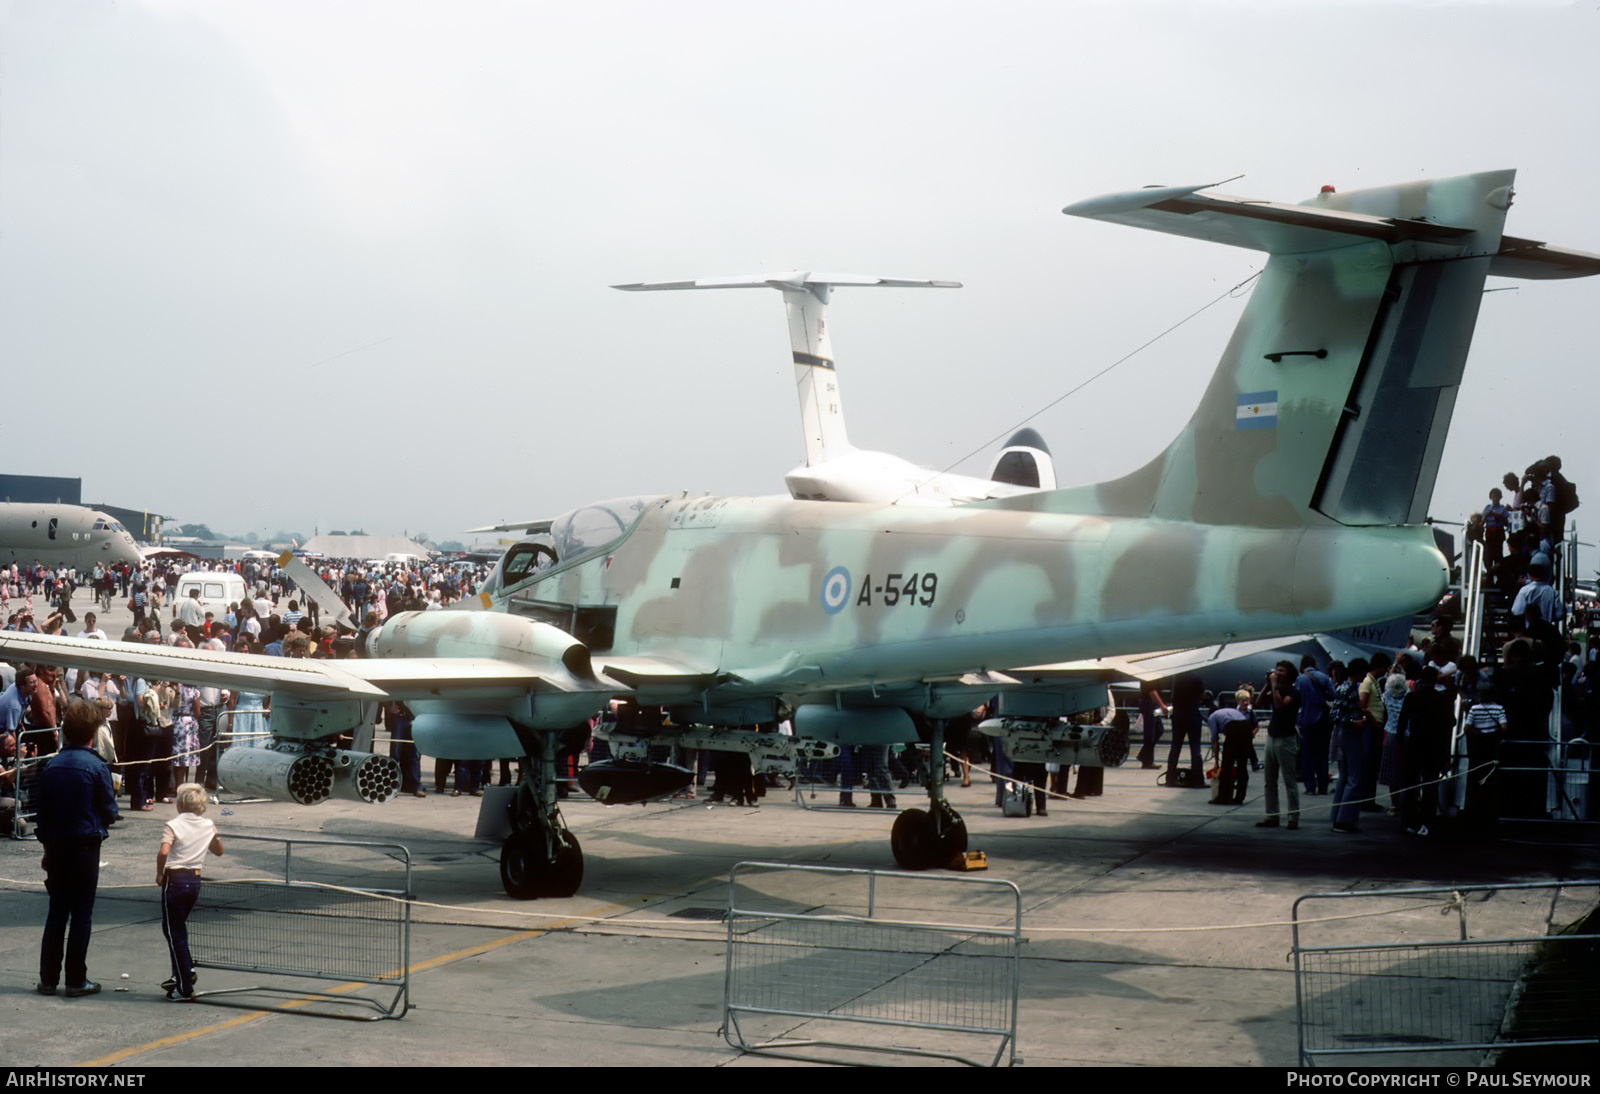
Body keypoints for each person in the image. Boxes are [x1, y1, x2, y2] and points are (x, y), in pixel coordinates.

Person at [35, 699, 119, 997]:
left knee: (56, 911)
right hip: (84, 846)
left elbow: (41, 814)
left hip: (56, 845)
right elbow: (110, 810)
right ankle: (75, 979)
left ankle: (48, 978)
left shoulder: (51, 765)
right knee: (82, 913)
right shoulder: (96, 766)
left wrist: (46, 846)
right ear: (92, 735)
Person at [156, 782, 224, 1000]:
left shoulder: (173, 824)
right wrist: (211, 836)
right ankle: (183, 970)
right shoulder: (208, 825)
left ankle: (185, 983)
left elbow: (163, 852)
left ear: (180, 804)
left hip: (175, 879)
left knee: (173, 931)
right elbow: (218, 851)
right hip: (194, 881)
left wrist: (159, 874)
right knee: (179, 929)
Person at [1258, 661, 1301, 830]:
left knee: (1289, 781)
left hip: (1286, 739)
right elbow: (1259, 701)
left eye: (1281, 671)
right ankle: (1272, 815)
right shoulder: (1276, 689)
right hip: (1272, 737)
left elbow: (1280, 704)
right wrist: (1267, 684)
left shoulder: (1293, 692)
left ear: (1289, 675)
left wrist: (1274, 685)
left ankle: (1293, 817)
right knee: (1269, 781)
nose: (1277, 673)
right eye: (1276, 670)